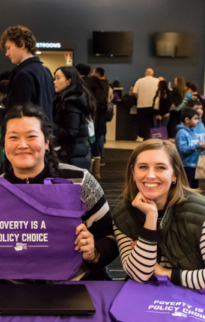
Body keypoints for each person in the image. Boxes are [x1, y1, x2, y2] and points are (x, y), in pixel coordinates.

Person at [0, 103, 118, 281]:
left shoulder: (80, 182)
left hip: (73, 286)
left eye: (31, 136)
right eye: (14, 138)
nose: (22, 145)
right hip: (12, 291)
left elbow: (110, 238)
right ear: (4, 146)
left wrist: (94, 252)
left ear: (47, 143)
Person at [113, 139, 205, 290]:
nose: (150, 175)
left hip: (191, 299)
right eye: (142, 167)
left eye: (160, 168)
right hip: (143, 298)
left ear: (175, 175)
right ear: (133, 173)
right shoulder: (124, 214)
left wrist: (166, 273)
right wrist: (151, 216)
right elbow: (139, 275)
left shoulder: (201, 212)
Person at [0, 25, 54, 122]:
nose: (7, 53)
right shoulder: (46, 71)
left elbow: (19, 114)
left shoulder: (23, 74)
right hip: (43, 132)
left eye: (8, 48)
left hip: (28, 132)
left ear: (21, 44)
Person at [53, 66, 95, 170]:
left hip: (72, 156)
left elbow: (71, 132)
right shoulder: (70, 99)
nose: (54, 82)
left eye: (58, 78)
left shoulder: (71, 103)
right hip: (75, 154)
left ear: (69, 81)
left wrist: (49, 125)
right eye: (54, 78)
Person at [84, 75, 108, 178]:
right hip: (100, 127)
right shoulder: (102, 96)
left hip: (91, 127)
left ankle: (90, 173)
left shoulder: (89, 98)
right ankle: (96, 173)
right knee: (95, 148)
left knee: (89, 148)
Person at [175, 107, 203, 188]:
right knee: (187, 188)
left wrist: (201, 148)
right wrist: (197, 146)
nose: (198, 121)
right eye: (196, 119)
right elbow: (182, 149)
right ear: (187, 120)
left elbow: (195, 148)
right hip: (186, 166)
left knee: (194, 188)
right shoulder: (182, 133)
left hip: (194, 165)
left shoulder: (193, 131)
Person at [133, 68, 159, 141]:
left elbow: (135, 93)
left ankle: (141, 136)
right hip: (153, 106)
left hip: (141, 105)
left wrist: (140, 98)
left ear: (145, 73)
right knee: (152, 122)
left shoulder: (139, 81)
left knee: (142, 122)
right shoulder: (157, 81)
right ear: (152, 74)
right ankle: (151, 137)